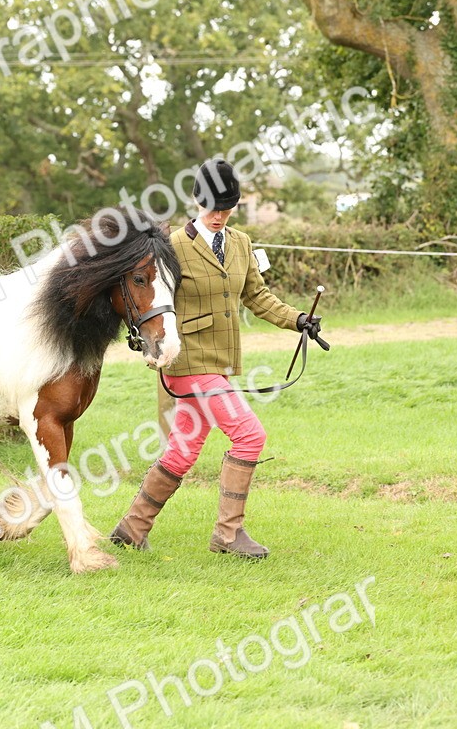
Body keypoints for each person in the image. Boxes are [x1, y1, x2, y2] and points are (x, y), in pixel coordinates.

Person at [110, 159, 321, 559]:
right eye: (212, 208)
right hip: (187, 361)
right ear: (196, 201)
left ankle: (131, 528)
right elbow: (148, 300)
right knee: (250, 435)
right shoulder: (170, 247)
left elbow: (256, 296)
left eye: (227, 208)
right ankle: (228, 534)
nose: (219, 216)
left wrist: (298, 320)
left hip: (219, 362)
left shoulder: (240, 243)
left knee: (183, 451)